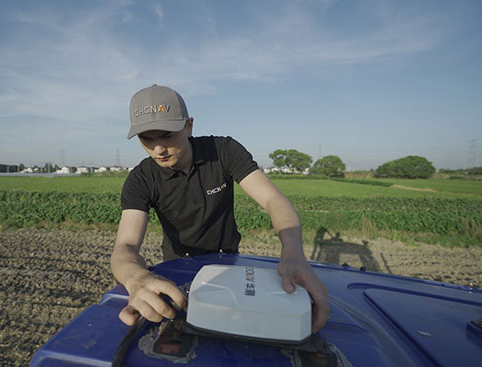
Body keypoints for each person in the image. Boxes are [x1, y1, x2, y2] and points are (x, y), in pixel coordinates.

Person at [110, 84, 329, 334]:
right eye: (146, 139)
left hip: (228, 262)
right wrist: (136, 278)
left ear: (189, 126)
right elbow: (125, 246)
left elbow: (272, 200)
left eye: (168, 135)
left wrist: (293, 254)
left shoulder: (223, 151)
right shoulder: (141, 179)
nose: (158, 149)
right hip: (178, 268)